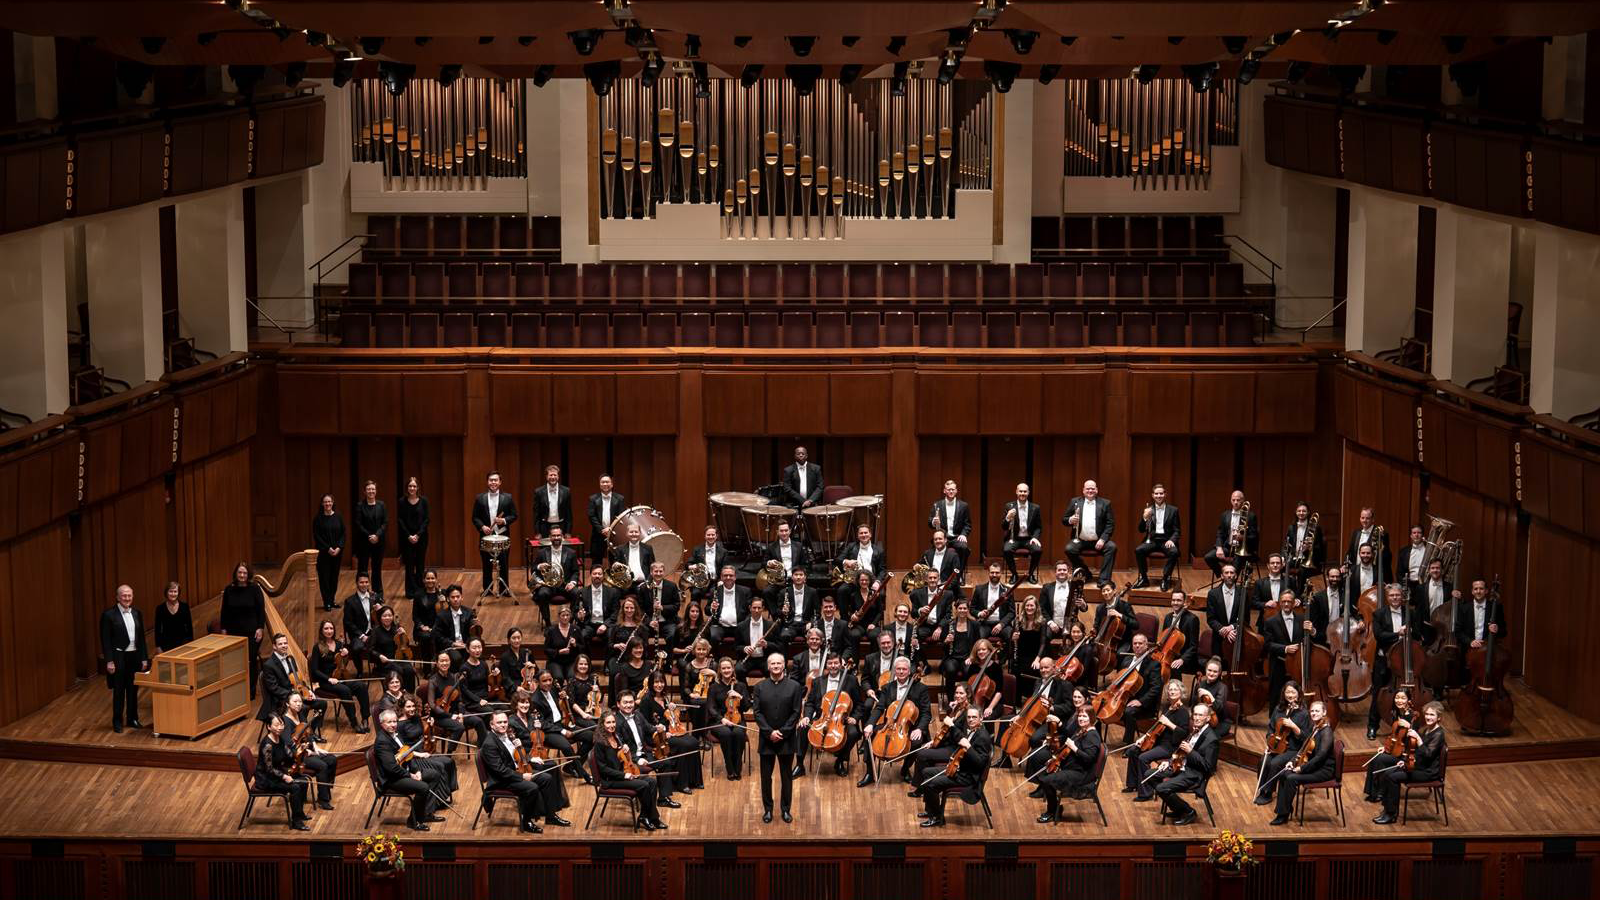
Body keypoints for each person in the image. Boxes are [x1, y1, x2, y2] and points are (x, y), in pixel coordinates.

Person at [481, 711, 570, 833]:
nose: (503, 725)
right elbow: (500, 771)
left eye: (505, 722)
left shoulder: (507, 736)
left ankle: (551, 816)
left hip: (514, 772)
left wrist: (526, 755)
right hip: (502, 780)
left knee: (547, 778)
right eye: (499, 722)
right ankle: (526, 821)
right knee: (531, 788)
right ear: (492, 725)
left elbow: (517, 755)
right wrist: (522, 776)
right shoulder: (489, 744)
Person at [859, 657, 931, 787]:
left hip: (911, 725)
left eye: (904, 669)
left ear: (909, 671)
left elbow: (926, 713)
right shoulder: (887, 687)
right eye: (898, 669)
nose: (901, 671)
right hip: (889, 724)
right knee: (869, 735)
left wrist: (919, 728)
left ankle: (905, 770)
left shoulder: (921, 688)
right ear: (894, 671)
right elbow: (880, 708)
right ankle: (870, 773)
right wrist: (870, 724)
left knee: (916, 742)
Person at [751, 652, 805, 823]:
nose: (775, 666)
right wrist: (769, 732)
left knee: (786, 777)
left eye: (778, 663)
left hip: (786, 739)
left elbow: (796, 712)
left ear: (784, 665)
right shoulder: (759, 687)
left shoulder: (795, 686)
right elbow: (757, 713)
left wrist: (783, 732)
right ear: (768, 666)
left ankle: (785, 810)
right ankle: (768, 810)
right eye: (772, 663)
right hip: (767, 739)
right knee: (766, 778)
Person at [1373, 701, 1447, 825]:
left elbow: (1428, 755)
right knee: (1387, 773)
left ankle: (1391, 814)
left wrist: (1418, 739)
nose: (1428, 717)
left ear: (1439, 717)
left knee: (1392, 777)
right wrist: (1405, 761)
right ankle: (1387, 809)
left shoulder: (1439, 734)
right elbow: (1417, 753)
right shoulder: (1426, 730)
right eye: (1427, 714)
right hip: (1419, 766)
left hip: (1428, 772)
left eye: (1432, 715)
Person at [916, 706, 991, 828]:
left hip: (966, 777)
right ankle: (931, 810)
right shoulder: (974, 730)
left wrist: (969, 747)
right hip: (958, 769)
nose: (970, 720)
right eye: (969, 717)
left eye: (974, 717)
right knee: (926, 772)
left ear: (981, 718)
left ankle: (936, 817)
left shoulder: (983, 737)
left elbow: (980, 764)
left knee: (930, 784)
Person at [1266, 700, 1334, 825]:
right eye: (1312, 711)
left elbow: (1320, 756)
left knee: (1291, 778)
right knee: (1284, 773)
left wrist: (1302, 769)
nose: (1314, 713)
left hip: (1324, 770)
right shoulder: (1315, 728)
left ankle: (1283, 815)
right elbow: (1303, 749)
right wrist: (1292, 762)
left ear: (1324, 712)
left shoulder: (1326, 732)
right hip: (1314, 766)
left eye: (1317, 711)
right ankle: (1284, 809)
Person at [373, 708, 443, 831]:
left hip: (403, 771)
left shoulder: (396, 734)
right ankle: (413, 821)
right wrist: (411, 775)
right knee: (422, 787)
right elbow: (392, 768)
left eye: (394, 721)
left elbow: (407, 753)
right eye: (389, 722)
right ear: (382, 724)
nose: (393, 725)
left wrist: (416, 770)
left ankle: (425, 813)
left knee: (434, 775)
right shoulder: (382, 742)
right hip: (392, 779)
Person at [595, 711, 665, 831]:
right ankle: (653, 818)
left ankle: (644, 816)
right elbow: (603, 769)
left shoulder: (616, 737)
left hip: (622, 774)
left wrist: (626, 751)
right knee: (644, 785)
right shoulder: (600, 744)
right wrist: (624, 775)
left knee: (652, 782)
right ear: (602, 724)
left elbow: (621, 759)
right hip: (611, 780)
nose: (611, 725)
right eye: (608, 723)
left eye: (613, 722)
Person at [797, 653, 865, 777]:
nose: (833, 666)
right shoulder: (818, 681)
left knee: (853, 733)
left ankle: (840, 761)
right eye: (830, 663)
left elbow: (860, 704)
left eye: (835, 663)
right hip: (821, 718)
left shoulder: (851, 680)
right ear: (826, 665)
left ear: (841, 664)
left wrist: (855, 718)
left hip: (842, 720)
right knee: (802, 727)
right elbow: (810, 703)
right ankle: (799, 764)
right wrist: (806, 716)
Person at [1151, 704, 1219, 826]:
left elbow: (1209, 768)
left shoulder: (1212, 739)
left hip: (1193, 775)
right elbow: (1180, 753)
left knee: (1162, 788)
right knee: (1150, 775)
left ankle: (1188, 812)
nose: (1196, 718)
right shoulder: (1194, 730)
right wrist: (1169, 762)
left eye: (1200, 715)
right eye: (1195, 714)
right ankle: (1178, 808)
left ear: (1208, 718)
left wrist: (1191, 752)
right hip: (1180, 766)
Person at [1125, 680, 1190, 802]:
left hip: (1169, 746)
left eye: (1175, 689)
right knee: (1134, 750)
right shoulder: (1167, 708)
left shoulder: (1183, 712)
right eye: (1170, 689)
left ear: (1181, 692)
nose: (1172, 692)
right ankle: (1132, 784)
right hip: (1157, 742)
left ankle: (1146, 792)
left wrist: (1169, 723)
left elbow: (1183, 733)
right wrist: (1143, 738)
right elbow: (1156, 727)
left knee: (1143, 758)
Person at [614, 691, 682, 808]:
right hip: (629, 760)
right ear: (618, 704)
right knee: (651, 775)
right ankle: (647, 805)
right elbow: (620, 747)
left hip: (644, 753)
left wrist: (661, 728)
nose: (628, 705)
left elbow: (649, 728)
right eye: (625, 703)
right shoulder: (616, 722)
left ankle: (663, 798)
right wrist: (637, 759)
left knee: (665, 762)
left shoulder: (638, 715)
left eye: (631, 702)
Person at [639, 670, 705, 791]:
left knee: (694, 742)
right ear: (651, 684)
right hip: (655, 736)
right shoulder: (646, 700)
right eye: (656, 682)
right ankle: (681, 784)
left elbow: (668, 716)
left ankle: (694, 780)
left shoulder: (664, 697)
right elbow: (644, 724)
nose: (659, 685)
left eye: (662, 682)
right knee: (683, 745)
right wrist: (662, 732)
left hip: (671, 731)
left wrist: (672, 708)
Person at [1036, 707, 1102, 823]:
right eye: (1080, 716)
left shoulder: (1092, 736)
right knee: (1044, 774)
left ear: (1091, 718)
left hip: (1082, 774)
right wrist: (1055, 758)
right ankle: (1056, 808)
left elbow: (1089, 759)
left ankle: (1052, 811)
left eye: (1084, 716)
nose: (1081, 718)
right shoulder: (1082, 731)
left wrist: (1074, 748)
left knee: (1046, 780)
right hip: (1074, 768)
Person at [101, 584, 149, 732]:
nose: (127, 598)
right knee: (119, 690)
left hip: (134, 656)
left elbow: (141, 638)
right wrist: (109, 660)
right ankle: (117, 721)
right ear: (117, 597)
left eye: (129, 595)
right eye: (124, 595)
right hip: (118, 656)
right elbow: (106, 640)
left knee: (133, 690)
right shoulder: (109, 615)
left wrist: (144, 658)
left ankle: (133, 719)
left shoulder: (137, 613)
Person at [258, 632, 327, 734]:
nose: (284, 646)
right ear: (274, 646)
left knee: (322, 703)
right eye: (280, 644)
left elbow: (297, 681)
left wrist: (308, 691)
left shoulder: (290, 659)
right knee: (302, 707)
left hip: (295, 694)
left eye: (285, 643)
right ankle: (303, 735)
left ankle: (311, 731)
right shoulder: (269, 665)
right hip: (280, 700)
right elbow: (274, 688)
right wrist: (294, 696)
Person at [309, 619, 369, 732]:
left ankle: (365, 718)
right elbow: (314, 670)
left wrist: (346, 655)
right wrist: (328, 678)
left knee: (361, 686)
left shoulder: (339, 644)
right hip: (326, 682)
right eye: (326, 628)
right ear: (321, 631)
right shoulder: (317, 647)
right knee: (345, 690)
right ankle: (354, 722)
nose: (329, 631)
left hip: (341, 678)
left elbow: (342, 664)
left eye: (331, 628)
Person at [1254, 681, 1309, 803]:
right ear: (1283, 694)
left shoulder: (1304, 713)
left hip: (1293, 749)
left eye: (1293, 692)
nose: (1290, 695)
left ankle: (1268, 792)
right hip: (1277, 745)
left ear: (1298, 694)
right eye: (1287, 692)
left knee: (1275, 763)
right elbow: (1271, 728)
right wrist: (1270, 741)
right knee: (1264, 759)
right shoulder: (1279, 709)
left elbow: (1306, 738)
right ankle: (1262, 789)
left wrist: (1294, 727)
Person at [281, 692, 338, 811]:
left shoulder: (300, 714)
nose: (298, 704)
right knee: (322, 766)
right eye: (295, 702)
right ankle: (323, 799)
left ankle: (326, 788)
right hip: (297, 755)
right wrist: (307, 750)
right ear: (287, 704)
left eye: (300, 702)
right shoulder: (285, 721)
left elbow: (308, 732)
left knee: (332, 759)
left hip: (307, 749)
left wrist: (315, 747)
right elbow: (289, 744)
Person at [1368, 584, 1409, 739]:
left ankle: (1405, 726)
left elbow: (1418, 632)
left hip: (1404, 660)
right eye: (1392, 595)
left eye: (1397, 595)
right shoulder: (1379, 614)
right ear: (1387, 597)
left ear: (1402, 596)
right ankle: (1372, 726)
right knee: (1378, 694)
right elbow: (1379, 635)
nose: (1395, 598)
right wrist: (1397, 633)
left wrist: (1411, 631)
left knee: (1405, 695)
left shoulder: (1409, 613)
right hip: (1384, 660)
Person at [256, 715, 311, 830]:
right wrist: (284, 776)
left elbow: (289, 755)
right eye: (276, 725)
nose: (280, 727)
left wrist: (301, 749)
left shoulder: (279, 738)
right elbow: (269, 769)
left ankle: (299, 813)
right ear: (269, 727)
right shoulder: (268, 745)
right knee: (295, 787)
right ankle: (296, 821)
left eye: (281, 724)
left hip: (277, 774)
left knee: (304, 781)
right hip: (267, 779)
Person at [221, 562, 267, 696]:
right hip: (233, 632)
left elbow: (260, 610)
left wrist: (260, 628)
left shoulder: (255, 589)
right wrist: (224, 630)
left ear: (248, 575)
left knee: (251, 660)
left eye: (245, 573)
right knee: (234, 661)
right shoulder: (229, 589)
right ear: (236, 574)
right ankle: (236, 689)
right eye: (240, 573)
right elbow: (224, 611)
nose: (242, 575)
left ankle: (250, 691)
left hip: (252, 632)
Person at [472, 471, 518, 598]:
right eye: (491, 480)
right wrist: (482, 527)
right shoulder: (480, 498)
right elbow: (475, 517)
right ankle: (488, 589)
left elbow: (514, 515)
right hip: (486, 536)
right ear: (487, 482)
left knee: (503, 563)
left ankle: (504, 588)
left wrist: (503, 521)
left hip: (502, 535)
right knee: (486, 563)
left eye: (495, 480)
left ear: (500, 482)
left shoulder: (508, 497)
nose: (493, 482)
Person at [1263, 591, 1312, 709]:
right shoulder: (1271, 621)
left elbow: (1307, 642)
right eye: (1283, 601)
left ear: (1294, 603)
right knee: (1277, 694)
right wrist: (1285, 648)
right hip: (1279, 663)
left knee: (1297, 693)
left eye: (1289, 601)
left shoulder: (1302, 620)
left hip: (1297, 664)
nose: (1286, 604)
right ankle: (1275, 722)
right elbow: (1267, 645)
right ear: (1280, 603)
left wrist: (1312, 631)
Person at [1063, 480, 1117, 586]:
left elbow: (1110, 524)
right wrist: (1070, 520)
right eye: (1088, 488)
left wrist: (1103, 539)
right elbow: (1064, 520)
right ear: (1083, 490)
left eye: (1092, 488)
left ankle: (1104, 579)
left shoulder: (1105, 503)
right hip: (1080, 540)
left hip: (1098, 540)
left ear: (1096, 490)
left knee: (1112, 547)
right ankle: (1086, 573)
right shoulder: (1075, 501)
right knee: (1069, 549)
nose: (1090, 490)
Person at [1133, 484, 1182, 591]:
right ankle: (1144, 579)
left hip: (1166, 540)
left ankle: (1165, 578)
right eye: (1156, 493)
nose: (1159, 495)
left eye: (1161, 493)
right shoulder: (1148, 509)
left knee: (1174, 552)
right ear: (1152, 495)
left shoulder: (1173, 510)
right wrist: (1144, 518)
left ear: (1165, 494)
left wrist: (1171, 540)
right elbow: (1141, 530)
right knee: (1139, 550)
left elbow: (1177, 530)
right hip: (1152, 540)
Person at [706, 657, 749, 779]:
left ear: (733, 669)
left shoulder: (740, 686)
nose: (726, 670)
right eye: (723, 668)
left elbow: (746, 707)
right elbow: (711, 707)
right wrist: (721, 719)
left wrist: (740, 696)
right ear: (719, 670)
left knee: (738, 733)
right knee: (726, 734)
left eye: (728, 667)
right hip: (718, 721)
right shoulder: (714, 687)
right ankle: (730, 768)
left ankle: (738, 766)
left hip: (737, 719)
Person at [532, 525, 580, 627]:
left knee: (576, 593)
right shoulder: (542, 552)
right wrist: (539, 566)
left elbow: (576, 571)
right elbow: (533, 569)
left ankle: (570, 622)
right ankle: (548, 624)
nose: (556, 538)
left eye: (558, 535)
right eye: (554, 536)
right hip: (548, 586)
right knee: (542, 594)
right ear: (550, 537)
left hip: (565, 585)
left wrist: (572, 582)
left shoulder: (571, 553)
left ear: (562, 536)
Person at [1205, 490, 1259, 577]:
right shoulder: (1225, 515)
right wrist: (1219, 547)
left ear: (1243, 500)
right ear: (1231, 500)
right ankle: (1223, 576)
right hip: (1228, 547)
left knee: (1234, 568)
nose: (1236, 502)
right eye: (1233, 500)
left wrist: (1243, 537)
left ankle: (1230, 580)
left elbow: (1254, 536)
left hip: (1244, 550)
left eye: (1238, 500)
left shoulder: (1251, 516)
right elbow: (1220, 533)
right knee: (1208, 557)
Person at [1002, 483, 1043, 584]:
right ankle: (1014, 574)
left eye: (1025, 491)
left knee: (1037, 550)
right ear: (1016, 492)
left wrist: (1035, 537)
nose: (1022, 493)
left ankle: (1030, 574)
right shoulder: (1009, 506)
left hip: (1029, 539)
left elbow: (1038, 527)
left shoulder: (1035, 508)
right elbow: (1003, 527)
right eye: (1020, 491)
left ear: (1028, 493)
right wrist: (1007, 517)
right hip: (1014, 538)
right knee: (1006, 550)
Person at [397, 476, 429, 601]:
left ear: (417, 488)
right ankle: (410, 592)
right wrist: (409, 535)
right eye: (410, 486)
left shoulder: (424, 501)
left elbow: (426, 520)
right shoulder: (401, 502)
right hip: (407, 538)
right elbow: (400, 520)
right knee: (409, 565)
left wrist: (418, 535)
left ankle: (420, 590)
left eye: (414, 486)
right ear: (407, 488)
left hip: (421, 537)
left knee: (420, 565)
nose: (412, 488)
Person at [311, 494, 345, 610]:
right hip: (323, 553)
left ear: (333, 502)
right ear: (322, 504)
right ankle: (327, 602)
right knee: (324, 577)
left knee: (334, 577)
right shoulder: (318, 519)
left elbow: (343, 534)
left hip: (337, 553)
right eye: (325, 502)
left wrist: (339, 548)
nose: (327, 504)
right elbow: (317, 537)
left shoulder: (338, 517)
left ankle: (332, 600)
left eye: (329, 502)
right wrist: (328, 548)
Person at [353, 480, 387, 595]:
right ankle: (362, 593)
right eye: (368, 489)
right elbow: (358, 524)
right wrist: (369, 536)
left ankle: (378, 593)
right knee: (362, 568)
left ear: (376, 491)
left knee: (377, 568)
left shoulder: (381, 505)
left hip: (379, 541)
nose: (371, 491)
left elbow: (385, 522)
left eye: (373, 489)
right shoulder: (360, 505)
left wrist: (377, 535)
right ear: (364, 491)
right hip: (364, 542)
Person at [928, 480, 972, 567]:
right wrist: (934, 522)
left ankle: (958, 573)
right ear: (944, 491)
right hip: (943, 537)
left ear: (956, 490)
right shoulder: (937, 505)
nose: (951, 491)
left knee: (964, 548)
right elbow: (930, 522)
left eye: (953, 489)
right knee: (934, 549)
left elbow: (967, 524)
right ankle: (939, 572)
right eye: (948, 489)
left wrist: (963, 534)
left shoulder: (964, 506)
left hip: (957, 537)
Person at [341, 573, 379, 674]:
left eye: (366, 582)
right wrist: (361, 635)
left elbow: (381, 616)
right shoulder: (350, 601)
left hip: (373, 632)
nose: (364, 584)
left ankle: (379, 668)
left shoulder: (374, 597)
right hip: (358, 634)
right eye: (361, 582)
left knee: (384, 641)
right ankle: (360, 671)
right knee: (356, 648)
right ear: (357, 583)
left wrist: (380, 610)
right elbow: (348, 622)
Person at [1156, 591, 1200, 678]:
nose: (1175, 603)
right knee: (1152, 664)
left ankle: (1176, 690)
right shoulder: (1168, 617)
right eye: (1173, 600)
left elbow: (1193, 646)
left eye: (1179, 600)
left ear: (1184, 602)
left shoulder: (1192, 619)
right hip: (1169, 654)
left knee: (1173, 667)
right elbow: (1163, 638)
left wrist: (1182, 659)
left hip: (1185, 656)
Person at [586, 474, 626, 564]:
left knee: (615, 560)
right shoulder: (593, 499)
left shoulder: (620, 499)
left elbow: (621, 516)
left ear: (612, 484)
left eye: (607, 482)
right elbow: (591, 516)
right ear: (600, 484)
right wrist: (601, 530)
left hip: (614, 534)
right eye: (603, 482)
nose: (605, 484)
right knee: (596, 560)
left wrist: (611, 529)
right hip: (598, 534)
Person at [835, 525, 887, 595]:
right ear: (858, 536)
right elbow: (838, 559)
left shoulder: (878, 550)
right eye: (861, 533)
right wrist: (847, 561)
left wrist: (877, 582)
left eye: (866, 533)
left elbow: (882, 570)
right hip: (854, 581)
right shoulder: (851, 546)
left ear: (870, 534)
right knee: (842, 591)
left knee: (880, 594)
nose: (863, 535)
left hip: (871, 580)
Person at [575, 565, 620, 645]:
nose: (597, 576)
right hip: (589, 624)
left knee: (611, 636)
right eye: (594, 573)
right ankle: (585, 657)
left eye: (599, 574)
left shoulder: (612, 592)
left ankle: (609, 658)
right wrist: (578, 616)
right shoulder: (582, 592)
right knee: (582, 636)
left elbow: (615, 612)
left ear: (603, 576)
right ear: (590, 575)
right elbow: (574, 611)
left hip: (606, 623)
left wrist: (605, 625)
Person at [1283, 502, 1325, 580]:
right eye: (1299, 511)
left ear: (1308, 512)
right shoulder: (1291, 528)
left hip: (1309, 560)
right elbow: (1286, 544)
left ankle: (1299, 592)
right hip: (1294, 558)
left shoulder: (1316, 528)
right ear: (1296, 512)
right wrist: (1282, 558)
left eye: (1304, 511)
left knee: (1302, 571)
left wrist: (1309, 548)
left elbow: (1320, 548)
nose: (1301, 513)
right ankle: (1287, 590)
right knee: (1278, 566)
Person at [919, 530, 963, 598]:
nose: (938, 541)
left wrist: (943, 588)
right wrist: (916, 566)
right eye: (935, 539)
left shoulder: (953, 556)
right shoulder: (927, 553)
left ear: (945, 540)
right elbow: (920, 566)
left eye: (940, 539)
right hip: (929, 588)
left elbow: (955, 578)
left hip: (946, 590)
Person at [532, 465, 572, 538]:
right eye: (551, 475)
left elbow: (568, 513)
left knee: (561, 548)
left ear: (558, 476)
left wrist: (568, 531)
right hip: (544, 527)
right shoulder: (539, 492)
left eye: (555, 475)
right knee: (544, 549)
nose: (553, 477)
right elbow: (536, 514)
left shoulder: (566, 491)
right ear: (547, 477)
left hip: (561, 526)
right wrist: (537, 532)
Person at [544, 606, 581, 683]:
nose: (565, 618)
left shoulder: (576, 629)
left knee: (572, 677)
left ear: (570, 616)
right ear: (559, 616)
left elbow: (583, 647)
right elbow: (546, 650)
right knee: (558, 677)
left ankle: (570, 695)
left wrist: (575, 645)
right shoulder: (551, 630)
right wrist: (559, 652)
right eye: (563, 615)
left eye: (567, 615)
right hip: (555, 661)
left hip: (571, 660)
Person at [153, 581, 193, 653]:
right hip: (166, 645)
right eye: (170, 591)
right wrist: (158, 647)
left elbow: (189, 627)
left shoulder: (185, 607)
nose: (173, 594)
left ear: (178, 593)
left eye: (175, 591)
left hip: (183, 644)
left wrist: (191, 644)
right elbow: (157, 630)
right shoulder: (160, 608)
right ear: (166, 593)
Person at [498, 627, 537, 698]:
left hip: (528, 684)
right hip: (513, 687)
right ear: (509, 640)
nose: (517, 640)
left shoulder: (527, 653)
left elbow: (536, 671)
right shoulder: (505, 657)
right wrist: (516, 688)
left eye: (519, 638)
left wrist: (533, 666)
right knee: (524, 697)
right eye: (514, 638)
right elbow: (505, 678)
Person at [781, 445, 823, 510]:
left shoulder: (816, 468)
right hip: (794, 504)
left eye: (803, 454)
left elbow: (820, 487)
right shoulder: (788, 470)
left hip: (812, 504)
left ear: (806, 455)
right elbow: (787, 488)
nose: (801, 455)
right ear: (795, 456)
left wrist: (810, 500)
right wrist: (803, 501)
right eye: (798, 454)